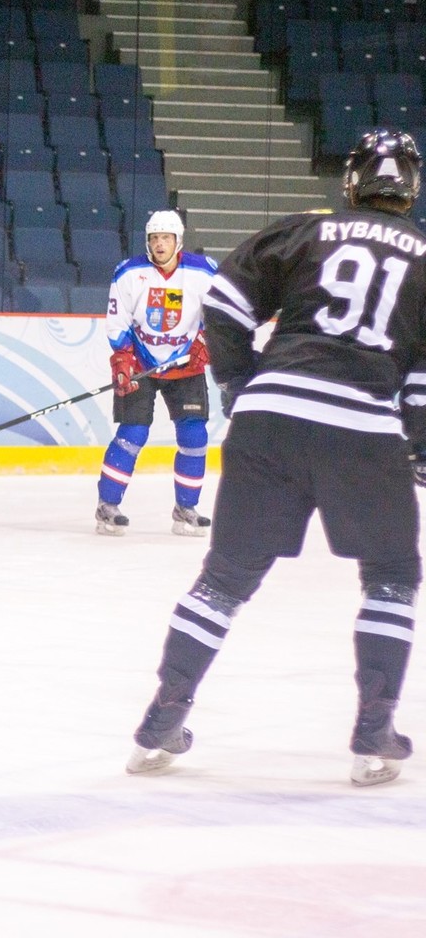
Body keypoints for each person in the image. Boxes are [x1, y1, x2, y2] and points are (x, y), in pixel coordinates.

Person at [126, 128, 426, 786]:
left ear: (352, 182)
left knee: (223, 580)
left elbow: (224, 303)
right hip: (363, 429)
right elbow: (420, 378)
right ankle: (374, 731)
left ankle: (163, 717)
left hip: (271, 420)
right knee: (391, 576)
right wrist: (421, 444)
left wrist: (242, 382)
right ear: (411, 186)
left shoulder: (305, 230)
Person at [96, 209, 218, 537]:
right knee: (132, 434)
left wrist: (206, 341)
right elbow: (118, 320)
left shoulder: (203, 272)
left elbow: (219, 313)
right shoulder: (129, 272)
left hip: (185, 363)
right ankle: (107, 506)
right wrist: (122, 359)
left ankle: (185, 509)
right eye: (154, 238)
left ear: (179, 241)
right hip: (141, 363)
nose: (159, 244)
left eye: (165, 238)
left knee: (194, 436)